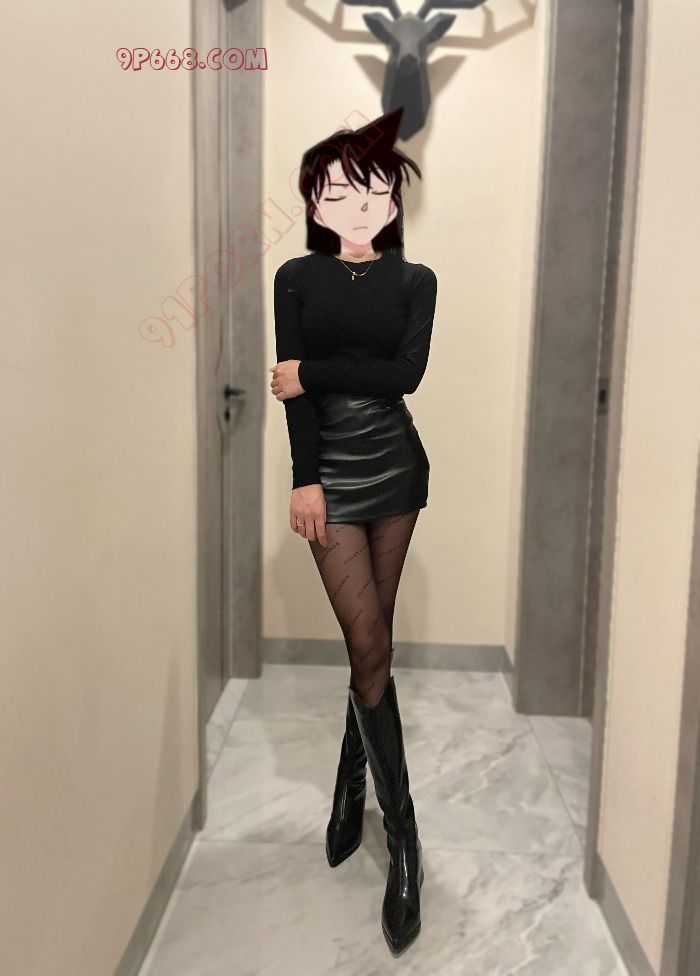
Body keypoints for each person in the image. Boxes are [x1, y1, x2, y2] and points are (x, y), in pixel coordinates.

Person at [269, 106, 437, 956]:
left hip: (396, 469)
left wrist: (309, 371)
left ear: (392, 201)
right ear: (315, 203)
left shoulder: (416, 281)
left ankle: (379, 817)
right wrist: (305, 478)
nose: (355, 203)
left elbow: (406, 375)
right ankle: (400, 826)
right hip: (330, 473)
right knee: (366, 639)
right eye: (335, 191)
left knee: (374, 641)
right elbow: (293, 398)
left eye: (370, 190)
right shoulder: (295, 277)